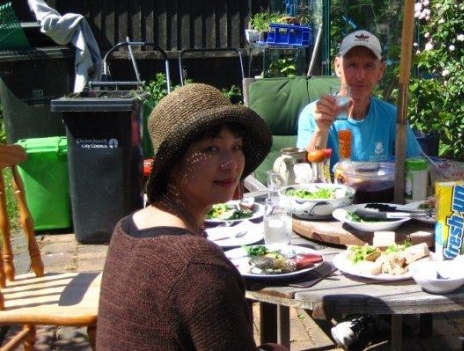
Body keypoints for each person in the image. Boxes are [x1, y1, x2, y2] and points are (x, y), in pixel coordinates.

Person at [96, 83, 288, 351]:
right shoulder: (199, 268)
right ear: (173, 164)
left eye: (236, 146)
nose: (230, 163)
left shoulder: (127, 228)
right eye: (211, 149)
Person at [296, 29, 422, 166]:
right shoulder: (315, 114)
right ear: (338, 66)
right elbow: (305, 172)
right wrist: (321, 129)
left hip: (379, 187)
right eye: (352, 65)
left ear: (381, 71)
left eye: (368, 66)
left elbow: (415, 164)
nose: (360, 76)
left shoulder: (392, 116)